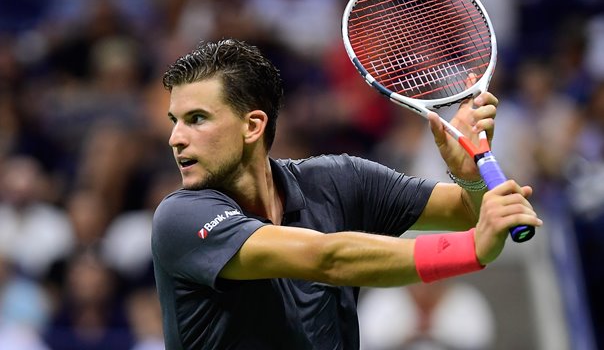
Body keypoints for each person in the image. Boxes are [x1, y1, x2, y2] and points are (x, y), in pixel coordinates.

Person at [151, 38, 542, 349]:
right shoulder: (181, 219)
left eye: (196, 119)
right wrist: (470, 250)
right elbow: (326, 258)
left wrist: (470, 178)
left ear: (252, 126)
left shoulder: (340, 181)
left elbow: (464, 211)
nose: (175, 139)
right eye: (175, 121)